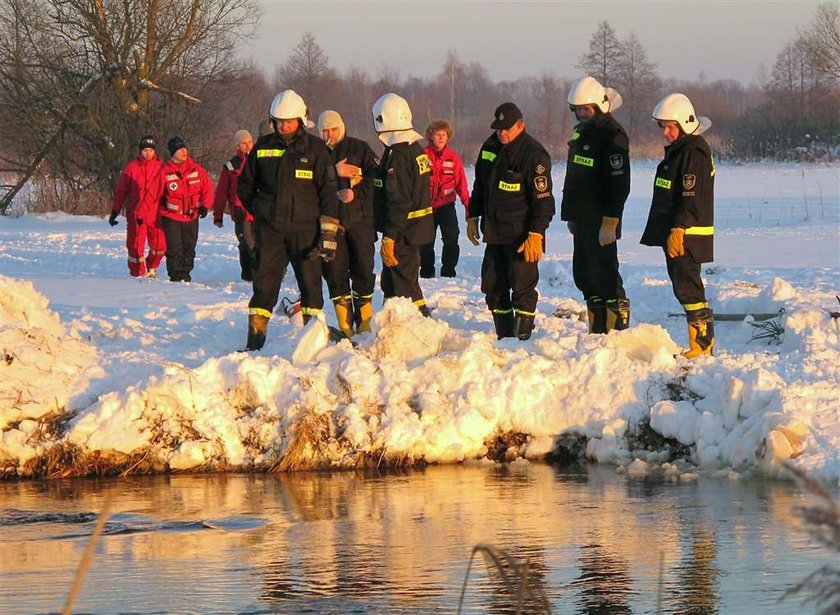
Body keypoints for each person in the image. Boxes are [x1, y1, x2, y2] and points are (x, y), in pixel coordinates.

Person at [238, 89, 340, 351]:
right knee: (264, 285)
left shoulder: (316, 150)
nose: (283, 126)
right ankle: (255, 342)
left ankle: (313, 342)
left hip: (306, 232)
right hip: (271, 232)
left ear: (300, 121)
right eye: (279, 122)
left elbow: (328, 194)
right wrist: (262, 212)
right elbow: (245, 186)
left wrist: (328, 234)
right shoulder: (262, 147)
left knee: (310, 286)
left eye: (288, 121)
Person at [466, 102, 555, 340]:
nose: (502, 134)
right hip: (494, 233)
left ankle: (522, 338)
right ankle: (505, 337)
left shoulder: (534, 155)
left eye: (507, 129)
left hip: (522, 236)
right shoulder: (490, 147)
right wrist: (472, 216)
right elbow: (480, 186)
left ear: (520, 126)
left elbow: (543, 201)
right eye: (498, 129)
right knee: (493, 286)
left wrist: (536, 233)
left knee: (522, 288)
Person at [641, 93, 715, 358]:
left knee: (688, 286)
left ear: (685, 123)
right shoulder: (681, 151)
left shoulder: (693, 153)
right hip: (677, 232)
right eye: (663, 127)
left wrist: (678, 228)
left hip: (687, 234)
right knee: (683, 285)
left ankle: (702, 346)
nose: (666, 133)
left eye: (671, 127)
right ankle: (700, 344)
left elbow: (691, 196)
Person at [561, 76, 631, 334]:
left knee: (605, 274)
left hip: (603, 220)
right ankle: (597, 329)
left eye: (586, 110)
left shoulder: (612, 136)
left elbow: (619, 183)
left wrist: (611, 218)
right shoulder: (582, 133)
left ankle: (616, 331)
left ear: (600, 107)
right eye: (577, 110)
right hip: (582, 218)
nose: (581, 115)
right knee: (585, 273)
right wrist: (571, 215)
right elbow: (576, 177)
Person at [317, 110, 379, 337]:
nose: (329, 134)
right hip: (330, 225)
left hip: (361, 221)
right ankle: (345, 324)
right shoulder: (317, 153)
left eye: (333, 129)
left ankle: (364, 320)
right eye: (325, 130)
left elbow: (378, 178)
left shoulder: (360, 148)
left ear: (341, 128)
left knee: (364, 268)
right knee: (335, 272)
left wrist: (357, 192)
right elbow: (307, 183)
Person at [371, 93, 434, 316]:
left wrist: (390, 236)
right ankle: (392, 319)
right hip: (415, 228)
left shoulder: (398, 155)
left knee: (403, 284)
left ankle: (420, 322)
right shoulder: (414, 149)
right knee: (394, 281)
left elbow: (398, 200)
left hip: (404, 231)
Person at [153, 136, 214, 282]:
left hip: (192, 217)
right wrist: (154, 214)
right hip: (171, 217)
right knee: (174, 248)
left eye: (184, 148)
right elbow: (153, 195)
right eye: (179, 149)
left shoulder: (197, 169)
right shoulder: (164, 172)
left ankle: (186, 273)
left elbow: (208, 189)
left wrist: (205, 206)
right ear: (173, 153)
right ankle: (175, 275)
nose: (183, 151)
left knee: (189, 247)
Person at [109, 135, 165, 278]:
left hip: (156, 215)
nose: (148, 153)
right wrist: (115, 210)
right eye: (145, 150)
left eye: (151, 150)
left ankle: (152, 268)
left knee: (160, 246)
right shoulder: (131, 168)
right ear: (140, 151)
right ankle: (137, 273)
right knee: (135, 247)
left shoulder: (162, 167)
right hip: (137, 215)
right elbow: (121, 191)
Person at [420, 120, 470, 278]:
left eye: (444, 135)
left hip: (447, 205)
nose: (441, 138)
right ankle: (427, 271)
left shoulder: (453, 158)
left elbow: (461, 184)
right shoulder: (422, 156)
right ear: (430, 136)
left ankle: (449, 272)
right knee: (426, 240)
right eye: (438, 134)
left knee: (451, 237)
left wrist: (468, 206)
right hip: (426, 207)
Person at [213, 129, 255, 281]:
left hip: (258, 211)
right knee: (245, 243)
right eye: (244, 143)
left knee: (259, 243)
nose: (248, 146)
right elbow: (222, 192)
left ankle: (259, 273)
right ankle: (248, 275)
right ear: (237, 146)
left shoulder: (258, 161)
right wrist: (218, 215)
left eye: (250, 142)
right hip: (240, 212)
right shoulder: (231, 166)